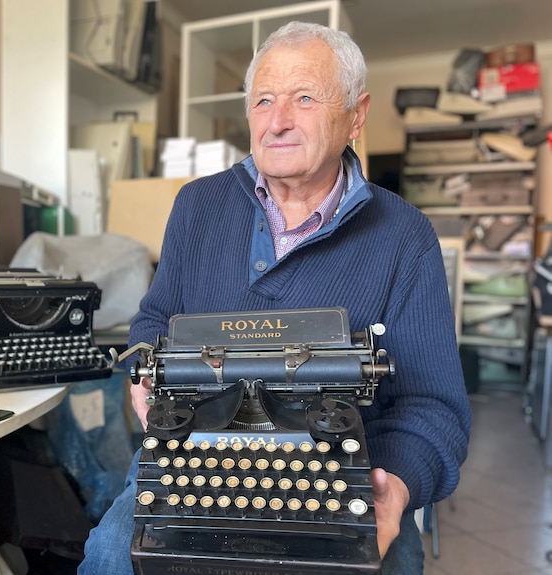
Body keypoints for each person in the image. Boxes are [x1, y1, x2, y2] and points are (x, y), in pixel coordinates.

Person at [78, 20, 471, 575]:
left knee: (391, 564)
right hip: (193, 453)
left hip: (342, 468)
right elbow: (155, 321)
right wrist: (145, 375)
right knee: (113, 555)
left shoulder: (406, 236)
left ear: (356, 116)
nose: (278, 122)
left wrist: (398, 487)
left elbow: (433, 406)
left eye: (304, 98)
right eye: (263, 100)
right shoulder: (197, 207)